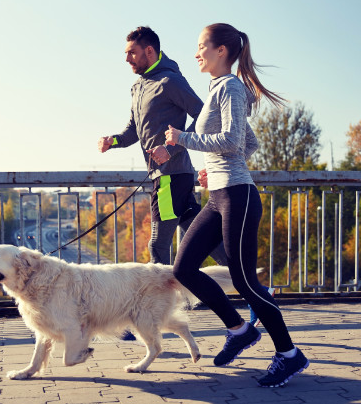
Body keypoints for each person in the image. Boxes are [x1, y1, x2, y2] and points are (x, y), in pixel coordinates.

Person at [165, 23, 310, 388]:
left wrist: (183, 138)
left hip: (238, 196)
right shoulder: (219, 89)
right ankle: (240, 329)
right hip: (220, 193)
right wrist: (212, 170)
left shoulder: (230, 86)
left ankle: (289, 355)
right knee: (183, 268)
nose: (196, 53)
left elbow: (231, 139)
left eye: (201, 46)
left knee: (245, 281)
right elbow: (249, 143)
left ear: (222, 51)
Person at [98, 26, 230, 267]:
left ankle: (166, 304)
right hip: (168, 176)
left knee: (158, 246)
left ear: (149, 51)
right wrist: (112, 141)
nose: (126, 58)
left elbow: (204, 117)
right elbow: (132, 132)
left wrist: (170, 148)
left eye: (132, 53)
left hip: (170, 177)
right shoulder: (138, 87)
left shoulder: (170, 81)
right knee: (205, 240)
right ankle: (255, 287)